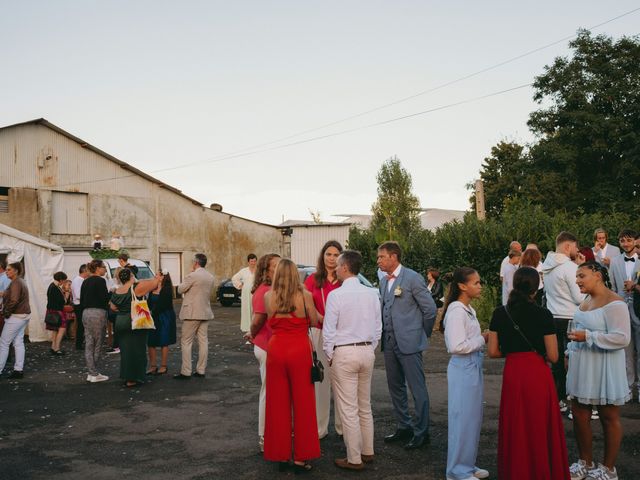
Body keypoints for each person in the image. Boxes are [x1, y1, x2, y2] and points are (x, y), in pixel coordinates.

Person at [488, 267, 569, 480]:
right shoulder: (543, 314)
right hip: (537, 374)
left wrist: (513, 351)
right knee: (539, 426)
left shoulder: (500, 312)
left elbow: (493, 352)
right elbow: (553, 356)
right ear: (535, 288)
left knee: (516, 425)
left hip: (514, 373)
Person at [566, 261, 630, 480]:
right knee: (579, 414)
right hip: (582, 364)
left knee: (608, 416)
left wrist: (589, 337)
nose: (577, 281)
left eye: (581, 276)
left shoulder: (616, 303)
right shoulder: (586, 300)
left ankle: (608, 469)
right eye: (576, 276)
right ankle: (585, 462)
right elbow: (577, 329)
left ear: (597, 275)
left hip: (604, 366)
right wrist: (569, 352)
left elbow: (622, 338)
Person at [322, 250, 382, 471]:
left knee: (348, 408)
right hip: (366, 351)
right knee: (364, 405)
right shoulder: (372, 293)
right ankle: (368, 450)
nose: (335, 269)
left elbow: (329, 331)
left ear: (345, 267)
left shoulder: (336, 295)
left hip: (344, 352)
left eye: (338, 265)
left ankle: (354, 458)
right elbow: (378, 328)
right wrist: (370, 348)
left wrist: (330, 355)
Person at [377, 241, 437, 450]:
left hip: (410, 342)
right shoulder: (384, 282)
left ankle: (422, 432)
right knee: (395, 387)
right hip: (390, 342)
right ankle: (404, 426)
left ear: (393, 257)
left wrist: (421, 334)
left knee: (417, 388)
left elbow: (430, 310)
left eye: (381, 257)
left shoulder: (412, 278)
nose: (379, 261)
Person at [264, 258, 320, 472]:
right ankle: (300, 458)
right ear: (296, 274)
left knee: (277, 403)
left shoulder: (269, 296)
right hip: (299, 349)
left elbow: (271, 321)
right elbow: (313, 321)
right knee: (303, 403)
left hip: (276, 349)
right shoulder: (305, 295)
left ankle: (281, 455)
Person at [441, 267, 489, 480]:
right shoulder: (457, 311)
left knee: (472, 419)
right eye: (476, 283)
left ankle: (467, 464)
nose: (480, 286)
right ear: (462, 286)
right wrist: (483, 340)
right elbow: (456, 345)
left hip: (472, 366)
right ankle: (456, 471)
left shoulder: (468, 310)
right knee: (462, 419)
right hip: (463, 367)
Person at [303, 240, 344, 439]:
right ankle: (320, 428)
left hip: (342, 335)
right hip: (319, 331)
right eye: (328, 254)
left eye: (336, 255)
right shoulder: (313, 279)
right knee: (321, 381)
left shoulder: (345, 280)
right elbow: (305, 304)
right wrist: (319, 317)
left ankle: (343, 427)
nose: (332, 258)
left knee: (342, 381)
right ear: (323, 256)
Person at [541, 231, 585, 413]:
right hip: (570, 318)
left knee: (557, 362)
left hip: (553, 317)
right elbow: (578, 297)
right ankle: (577, 402)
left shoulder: (547, 265)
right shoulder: (569, 267)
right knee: (574, 362)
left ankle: (557, 399)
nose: (577, 250)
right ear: (567, 246)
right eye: (575, 246)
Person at [247, 253, 281, 452]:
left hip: (273, 346)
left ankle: (273, 433)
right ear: (265, 270)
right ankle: (264, 436)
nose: (278, 268)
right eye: (274, 265)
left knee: (273, 393)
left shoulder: (274, 289)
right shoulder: (264, 291)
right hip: (266, 347)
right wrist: (251, 334)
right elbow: (257, 321)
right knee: (267, 393)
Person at [109, 268, 162, 387]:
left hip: (120, 322)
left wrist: (123, 310)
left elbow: (113, 307)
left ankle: (127, 376)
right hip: (135, 322)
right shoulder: (135, 288)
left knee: (126, 351)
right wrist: (158, 277)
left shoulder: (117, 291)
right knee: (138, 350)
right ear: (131, 276)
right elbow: (154, 284)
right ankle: (134, 378)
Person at [609, 228, 640, 400]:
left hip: (639, 310)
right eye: (622, 241)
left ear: (636, 241)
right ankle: (628, 387)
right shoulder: (614, 262)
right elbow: (612, 288)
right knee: (626, 350)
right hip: (621, 310)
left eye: (629, 240)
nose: (626, 244)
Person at [174, 253, 215, 380]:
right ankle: (201, 370)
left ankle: (186, 371)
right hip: (205, 311)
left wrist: (190, 274)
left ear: (196, 263)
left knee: (186, 341)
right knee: (203, 341)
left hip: (192, 312)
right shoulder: (210, 276)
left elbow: (180, 289)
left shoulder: (192, 275)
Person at [80, 260, 110, 383]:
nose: (105, 270)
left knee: (89, 343)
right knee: (98, 344)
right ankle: (94, 373)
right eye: (103, 267)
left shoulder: (85, 281)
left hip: (86, 313)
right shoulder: (101, 281)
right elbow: (105, 298)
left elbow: (81, 299)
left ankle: (90, 372)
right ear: (97, 268)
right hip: (98, 313)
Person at [0, 263, 30, 379]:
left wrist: (6, 312)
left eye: (9, 270)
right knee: (18, 342)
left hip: (16, 316)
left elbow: (14, 300)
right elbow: (12, 295)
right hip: (23, 315)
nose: (6, 272)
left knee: (4, 343)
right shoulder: (20, 281)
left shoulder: (16, 283)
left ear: (16, 271)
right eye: (6, 270)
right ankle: (18, 370)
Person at [146, 272, 176, 375]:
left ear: (163, 277)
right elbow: (148, 302)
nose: (155, 276)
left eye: (158, 275)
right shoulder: (152, 288)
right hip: (152, 317)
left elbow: (164, 304)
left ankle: (163, 366)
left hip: (164, 317)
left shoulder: (167, 289)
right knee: (151, 341)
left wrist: (153, 312)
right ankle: (153, 366)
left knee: (164, 340)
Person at [232, 254, 258, 333]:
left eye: (254, 261)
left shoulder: (259, 270)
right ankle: (248, 332)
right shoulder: (244, 271)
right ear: (248, 262)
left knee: (256, 311)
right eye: (251, 261)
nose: (253, 263)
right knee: (247, 311)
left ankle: (256, 331)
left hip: (256, 293)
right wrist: (240, 285)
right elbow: (234, 278)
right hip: (246, 293)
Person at [46, 271, 69, 355]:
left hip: (52, 311)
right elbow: (62, 302)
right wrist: (66, 293)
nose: (64, 282)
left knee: (55, 329)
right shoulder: (55, 288)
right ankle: (57, 348)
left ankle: (53, 347)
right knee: (62, 328)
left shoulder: (52, 286)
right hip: (57, 311)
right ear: (61, 280)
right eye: (64, 280)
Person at [71, 264, 89, 350]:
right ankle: (79, 344)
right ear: (84, 271)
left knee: (82, 325)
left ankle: (80, 343)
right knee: (81, 325)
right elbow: (78, 295)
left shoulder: (79, 280)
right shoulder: (78, 280)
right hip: (79, 305)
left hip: (80, 304)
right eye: (88, 271)